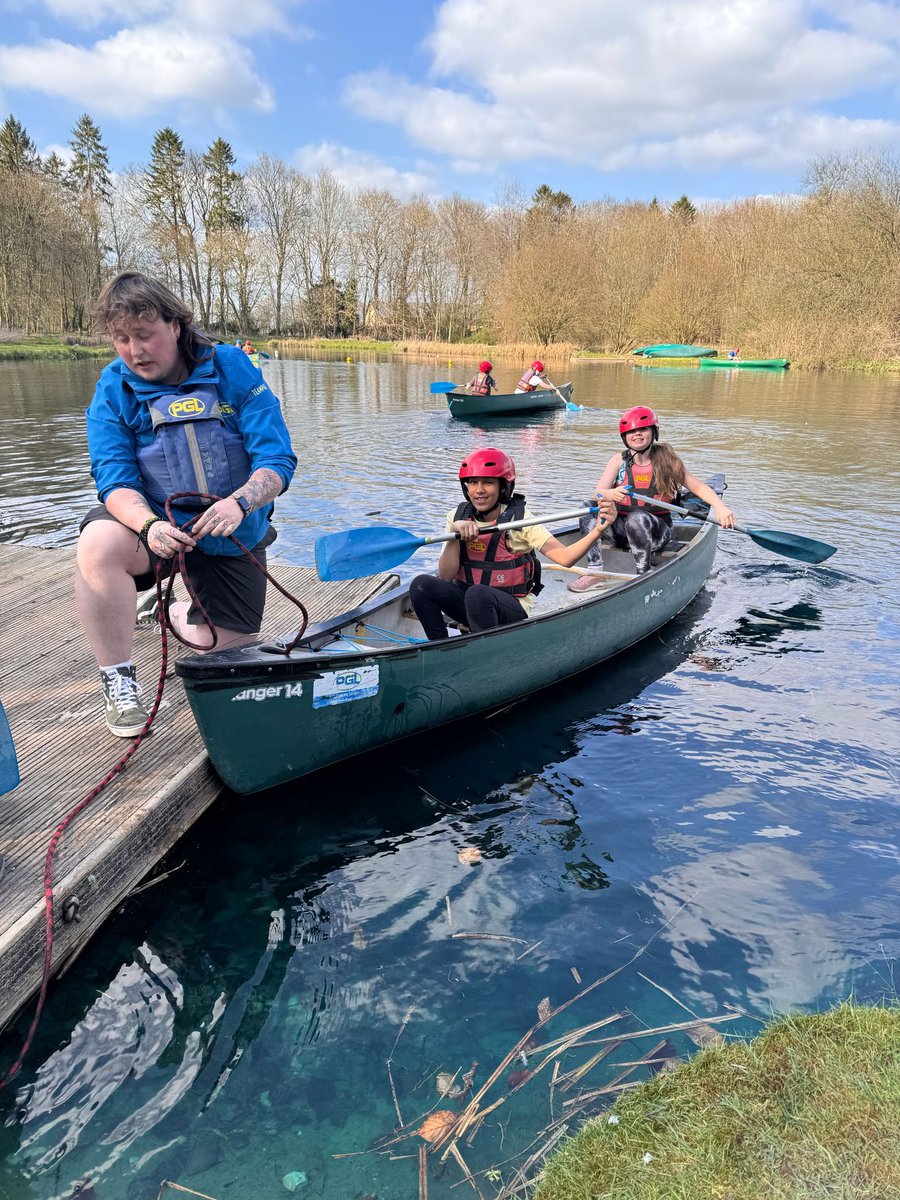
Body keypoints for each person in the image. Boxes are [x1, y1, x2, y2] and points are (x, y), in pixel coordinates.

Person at [75, 272, 297, 737]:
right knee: (98, 544)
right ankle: (118, 682)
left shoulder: (233, 367)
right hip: (157, 532)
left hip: (230, 533)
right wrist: (149, 526)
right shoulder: (112, 390)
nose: (135, 351)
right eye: (122, 339)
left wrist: (239, 503)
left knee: (225, 655)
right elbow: (113, 481)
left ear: (175, 326)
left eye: (145, 335)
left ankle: (172, 609)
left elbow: (277, 460)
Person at [408, 448, 617, 640]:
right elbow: (446, 576)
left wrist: (598, 529)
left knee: (478, 594)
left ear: (503, 487)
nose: (478, 490)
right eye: (473, 482)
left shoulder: (521, 520)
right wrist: (454, 534)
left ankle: (485, 653)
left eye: (488, 482)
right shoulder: (457, 516)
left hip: (509, 608)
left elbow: (566, 558)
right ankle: (441, 649)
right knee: (421, 584)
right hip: (467, 602)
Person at [569, 405, 736, 587]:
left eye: (643, 429)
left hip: (656, 534)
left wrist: (720, 507)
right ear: (625, 437)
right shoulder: (618, 461)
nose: (637, 434)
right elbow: (599, 492)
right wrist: (608, 493)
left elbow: (699, 487)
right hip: (619, 531)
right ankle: (595, 572)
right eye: (631, 431)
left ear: (653, 432)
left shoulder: (667, 462)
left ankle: (643, 575)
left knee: (637, 518)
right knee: (588, 507)